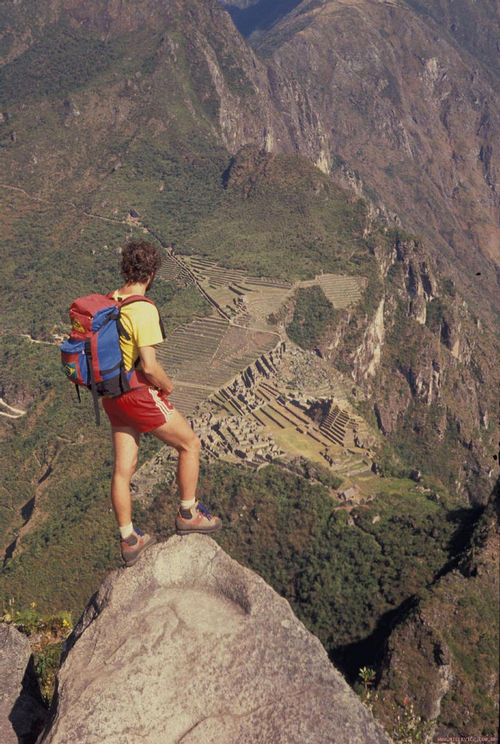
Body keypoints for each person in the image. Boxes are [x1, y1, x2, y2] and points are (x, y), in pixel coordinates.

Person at [102, 240, 221, 567]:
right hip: (135, 394)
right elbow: (150, 366)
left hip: (111, 396)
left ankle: (128, 538)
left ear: (125, 268)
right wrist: (167, 387)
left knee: (122, 471)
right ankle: (188, 512)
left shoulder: (111, 300)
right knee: (190, 444)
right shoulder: (143, 308)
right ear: (151, 273)